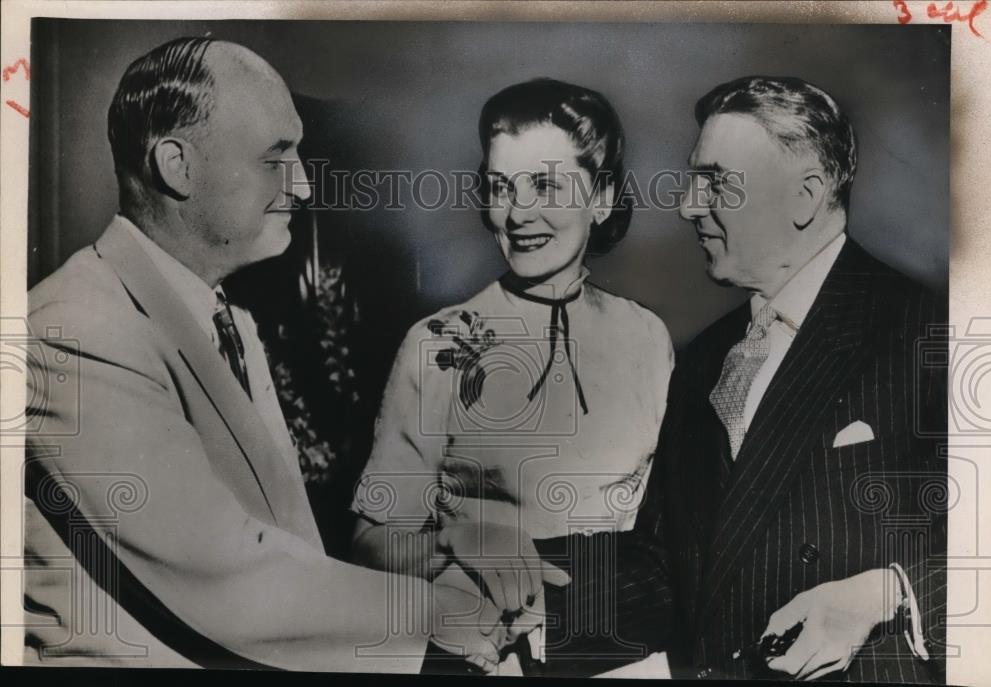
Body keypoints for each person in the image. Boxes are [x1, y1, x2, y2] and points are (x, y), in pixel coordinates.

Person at [22, 36, 504, 671]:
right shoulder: (73, 329)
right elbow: (226, 577)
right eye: (276, 158)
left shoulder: (228, 320)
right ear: (176, 166)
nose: (303, 185)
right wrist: (438, 613)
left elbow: (287, 547)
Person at [349, 78, 675, 675]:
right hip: (489, 657)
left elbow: (673, 538)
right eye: (502, 187)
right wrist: (454, 541)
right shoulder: (438, 344)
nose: (519, 213)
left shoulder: (648, 338)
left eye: (546, 185)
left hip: (629, 651)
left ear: (602, 198)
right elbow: (369, 545)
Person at [636, 76, 948, 681]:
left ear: (805, 196)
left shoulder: (932, 330)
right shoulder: (704, 358)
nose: (687, 206)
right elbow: (663, 567)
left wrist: (887, 593)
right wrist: (519, 587)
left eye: (716, 183)